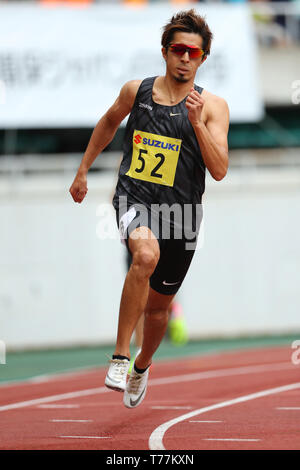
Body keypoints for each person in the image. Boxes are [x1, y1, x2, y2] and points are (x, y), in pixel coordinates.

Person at [69, 9, 229, 409]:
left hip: (183, 214)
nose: (185, 58)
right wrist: (83, 170)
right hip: (134, 198)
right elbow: (108, 123)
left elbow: (220, 169)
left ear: (203, 58)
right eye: (179, 49)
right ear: (164, 52)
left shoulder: (212, 107)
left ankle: (142, 365)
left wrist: (194, 123)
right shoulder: (136, 92)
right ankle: (121, 356)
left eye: (194, 53)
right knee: (144, 255)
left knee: (158, 312)